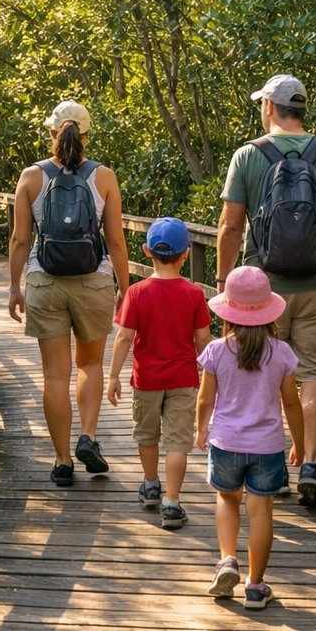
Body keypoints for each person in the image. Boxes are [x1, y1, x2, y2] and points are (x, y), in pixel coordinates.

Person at [216, 74, 316, 508]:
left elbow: (230, 225)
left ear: (268, 108)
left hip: (261, 288)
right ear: (300, 110)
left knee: (260, 369)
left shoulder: (248, 156)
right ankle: (312, 463)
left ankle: (267, 465)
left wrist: (226, 285)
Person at [8, 100, 130, 487]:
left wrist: (14, 286)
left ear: (51, 133)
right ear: (87, 134)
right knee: (90, 365)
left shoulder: (31, 177)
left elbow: (20, 239)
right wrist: (126, 288)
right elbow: (114, 239)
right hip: (94, 281)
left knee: (55, 376)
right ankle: (88, 438)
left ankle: (62, 461)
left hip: (45, 282)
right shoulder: (104, 177)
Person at [196, 267, 305, 609]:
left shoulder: (216, 351)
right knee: (261, 512)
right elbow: (291, 402)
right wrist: (300, 444)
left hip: (226, 441)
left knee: (227, 500)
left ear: (227, 311)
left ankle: (227, 559)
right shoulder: (281, 353)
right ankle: (255, 587)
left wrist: (201, 428)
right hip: (267, 446)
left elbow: (204, 399)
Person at [105, 217, 212, 530]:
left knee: (147, 435)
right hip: (183, 379)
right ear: (185, 254)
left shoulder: (137, 293)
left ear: (146, 251)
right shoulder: (193, 294)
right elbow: (203, 339)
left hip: (146, 380)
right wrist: (210, 372)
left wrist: (112, 376)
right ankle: (172, 502)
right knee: (178, 443)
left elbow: (124, 337)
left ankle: (151, 484)